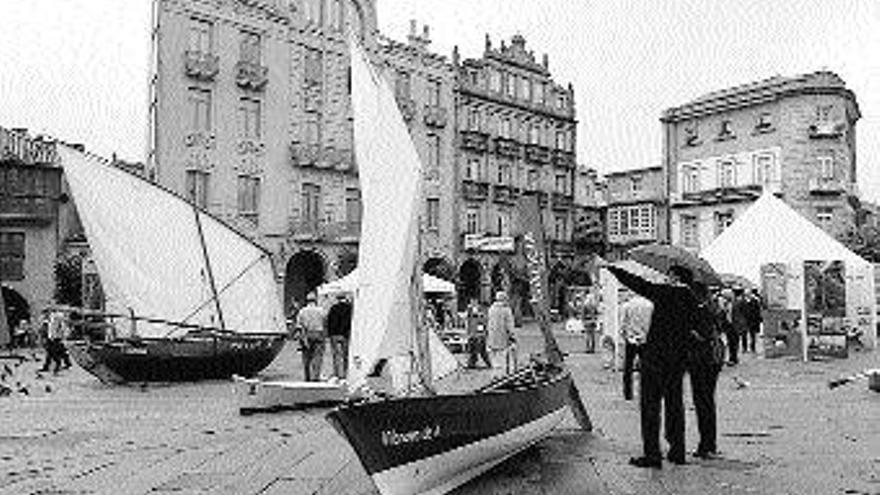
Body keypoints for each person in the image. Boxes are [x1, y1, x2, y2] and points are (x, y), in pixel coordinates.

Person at [605, 263, 699, 468]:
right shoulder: (692, 298)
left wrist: (613, 269)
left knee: (650, 406)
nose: (666, 279)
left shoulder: (667, 293)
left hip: (656, 358)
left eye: (668, 275)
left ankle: (652, 454)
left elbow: (639, 284)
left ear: (675, 277)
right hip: (678, 360)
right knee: (675, 405)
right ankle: (677, 451)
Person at [687, 283, 726, 459]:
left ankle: (706, 445)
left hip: (701, 360)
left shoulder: (700, 311)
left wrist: (690, 331)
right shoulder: (714, 309)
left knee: (702, 402)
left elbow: (701, 335)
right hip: (714, 359)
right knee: (708, 401)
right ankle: (709, 443)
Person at [619, 291, 653, 401]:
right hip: (645, 340)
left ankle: (628, 394)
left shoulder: (627, 305)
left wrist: (624, 335)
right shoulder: (650, 305)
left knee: (628, 368)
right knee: (647, 368)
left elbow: (623, 323)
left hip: (631, 340)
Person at [294, 293, 327, 381]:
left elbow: (299, 326)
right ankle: (315, 376)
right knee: (317, 356)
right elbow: (325, 323)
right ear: (315, 300)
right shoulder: (321, 311)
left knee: (306, 357)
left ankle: (307, 376)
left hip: (306, 334)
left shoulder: (302, 311)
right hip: (319, 333)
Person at [486, 291, 517, 375]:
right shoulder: (506, 310)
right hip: (502, 340)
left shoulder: (491, 309)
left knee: (494, 361)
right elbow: (510, 326)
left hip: (491, 339)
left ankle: (494, 376)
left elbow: (488, 324)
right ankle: (501, 378)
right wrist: (513, 337)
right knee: (502, 361)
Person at [326, 294, 353, 379]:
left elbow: (329, 321)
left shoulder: (333, 308)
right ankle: (346, 373)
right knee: (346, 355)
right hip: (346, 334)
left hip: (335, 334)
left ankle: (337, 373)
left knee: (336, 355)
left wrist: (329, 333)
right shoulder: (350, 308)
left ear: (337, 299)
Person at [465, 299, 490, 369]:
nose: (473, 303)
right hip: (474, 334)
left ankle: (473, 363)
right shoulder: (470, 311)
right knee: (474, 350)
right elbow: (468, 323)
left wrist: (484, 332)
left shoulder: (480, 312)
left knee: (480, 350)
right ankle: (472, 363)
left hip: (477, 335)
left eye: (474, 301)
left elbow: (483, 323)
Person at [729, 288, 749, 365]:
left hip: (737, 324)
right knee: (732, 341)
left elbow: (746, 313)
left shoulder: (741, 301)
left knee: (734, 341)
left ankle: (733, 358)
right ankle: (733, 357)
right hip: (731, 324)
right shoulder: (732, 301)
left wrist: (744, 323)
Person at [742, 289, 763, 353]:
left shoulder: (755, 301)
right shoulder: (742, 302)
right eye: (746, 293)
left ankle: (752, 347)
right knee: (744, 335)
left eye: (749, 293)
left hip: (753, 321)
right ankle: (744, 348)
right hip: (745, 320)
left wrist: (758, 319)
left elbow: (758, 311)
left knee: (752, 335)